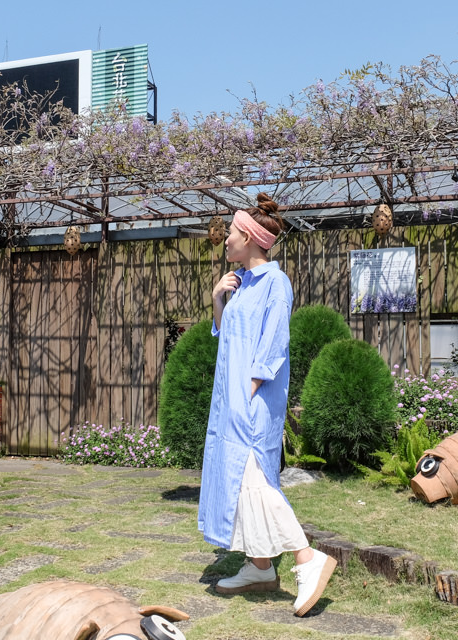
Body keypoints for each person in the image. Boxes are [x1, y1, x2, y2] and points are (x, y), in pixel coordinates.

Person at [197, 193, 336, 617]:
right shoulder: (240, 283)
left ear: (252, 239)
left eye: (232, 234)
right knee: (238, 480)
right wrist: (218, 298)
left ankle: (305, 558)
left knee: (252, 475)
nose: (225, 240)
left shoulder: (276, 282)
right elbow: (225, 337)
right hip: (231, 398)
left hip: (252, 398)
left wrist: (252, 388)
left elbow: (275, 342)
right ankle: (259, 567)